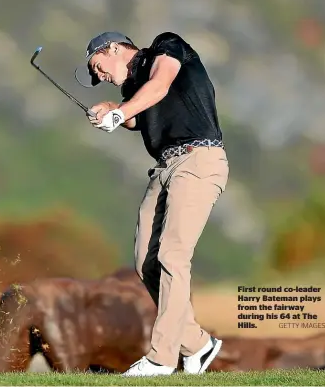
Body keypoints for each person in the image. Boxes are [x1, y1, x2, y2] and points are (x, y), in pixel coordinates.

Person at [74, 31, 229, 377]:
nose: (98, 76)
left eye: (97, 67)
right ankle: (199, 345)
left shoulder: (167, 47)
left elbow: (160, 85)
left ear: (114, 48)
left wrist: (121, 110)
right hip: (164, 168)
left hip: (198, 159)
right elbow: (135, 118)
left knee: (173, 256)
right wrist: (112, 111)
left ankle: (161, 358)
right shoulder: (131, 90)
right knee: (147, 262)